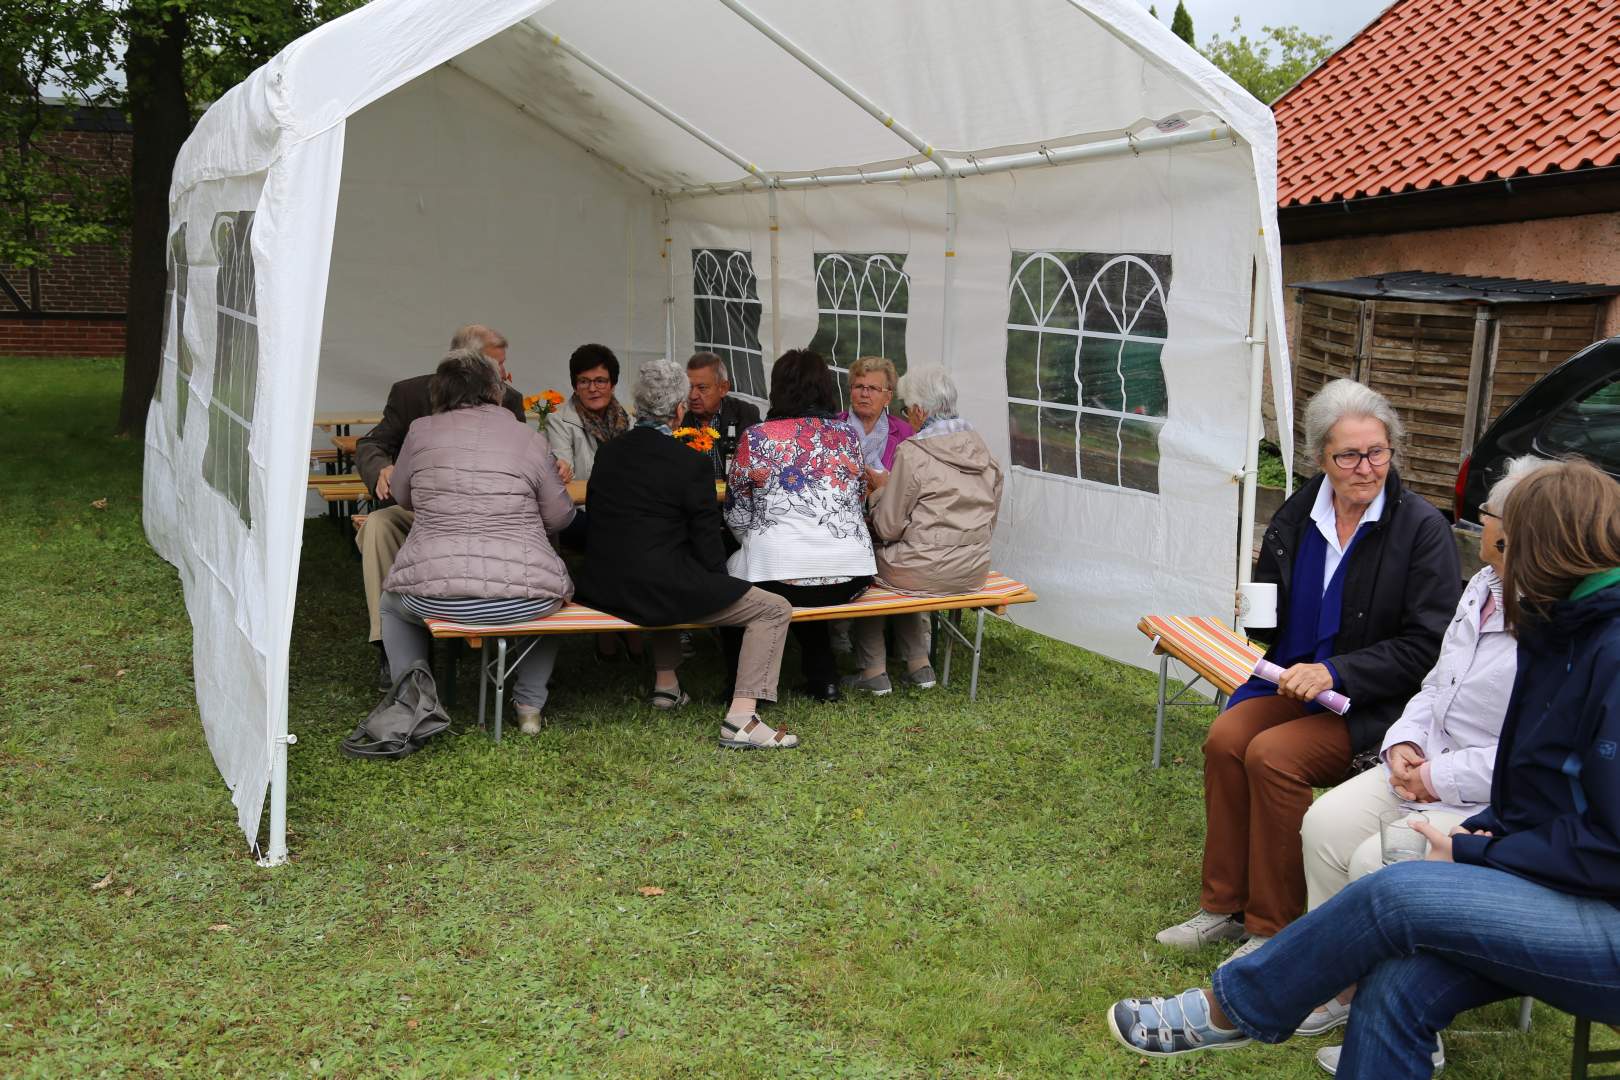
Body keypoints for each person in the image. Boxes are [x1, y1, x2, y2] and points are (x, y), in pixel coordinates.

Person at [1106, 458, 1620, 1079]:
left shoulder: (1590, 641)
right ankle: (1257, 937)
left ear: (1543, 548)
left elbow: (1601, 843)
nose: (1499, 560)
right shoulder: (1562, 627)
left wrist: (1475, 847)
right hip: (1525, 847)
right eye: (1346, 453)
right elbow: (1533, 773)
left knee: (1394, 889)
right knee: (1394, 984)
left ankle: (1240, 1003)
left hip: (1587, 899)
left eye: (1509, 544)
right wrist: (1483, 826)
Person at [1156, 378, 1460, 963]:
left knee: (1274, 756)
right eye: (1348, 455)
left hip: (1374, 704)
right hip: (1291, 681)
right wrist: (1254, 610)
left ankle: (1273, 929)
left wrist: (1337, 672)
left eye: (1377, 452)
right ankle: (1223, 906)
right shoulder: (1299, 514)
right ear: (1321, 457)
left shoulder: (1421, 529)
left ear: (1392, 451)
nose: (1365, 468)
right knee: (1225, 739)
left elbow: (1428, 647)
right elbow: (1270, 619)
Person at [1292, 456, 1545, 1058]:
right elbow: (1435, 685)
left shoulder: (1556, 623)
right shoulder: (1482, 588)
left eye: (1486, 515)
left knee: (1378, 860)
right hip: (1424, 764)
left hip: (1493, 800)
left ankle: (1411, 1027)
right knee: (1324, 826)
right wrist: (1403, 744)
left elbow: (1527, 754)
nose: (1477, 524)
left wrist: (1436, 775)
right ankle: (1342, 984)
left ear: (1518, 531)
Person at [575, 359, 798, 749]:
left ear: (636, 405)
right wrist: (719, 582)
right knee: (772, 607)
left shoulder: (608, 454)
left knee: (669, 570)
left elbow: (599, 518)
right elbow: (708, 543)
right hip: (653, 588)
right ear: (679, 409)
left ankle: (667, 685)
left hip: (604, 584)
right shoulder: (690, 463)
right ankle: (742, 718)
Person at [377, 349, 576, 734]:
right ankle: (528, 706)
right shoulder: (529, 437)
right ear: (496, 390)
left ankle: (414, 702)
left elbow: (401, 496)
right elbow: (560, 517)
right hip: (522, 599)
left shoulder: (420, 431)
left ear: (440, 391)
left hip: (431, 595)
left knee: (390, 604)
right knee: (556, 603)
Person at [354, 324, 528, 689]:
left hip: (485, 514)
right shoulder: (410, 394)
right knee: (377, 526)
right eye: (498, 367)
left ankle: (515, 628)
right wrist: (382, 468)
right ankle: (389, 644)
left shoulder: (509, 399)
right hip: (419, 507)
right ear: (469, 366)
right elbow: (372, 444)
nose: (506, 376)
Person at [725, 349, 875, 702]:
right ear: (826, 388)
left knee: (734, 584)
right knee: (810, 567)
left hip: (778, 580)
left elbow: (736, 513)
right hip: (851, 578)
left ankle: (739, 684)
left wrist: (762, 540)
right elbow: (857, 500)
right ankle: (824, 678)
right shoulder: (848, 437)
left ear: (777, 388)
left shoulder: (757, 437)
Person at [843, 365, 1003, 695]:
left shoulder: (914, 452)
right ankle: (920, 665)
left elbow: (887, 526)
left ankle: (873, 671)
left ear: (918, 410)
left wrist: (879, 491)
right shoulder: (983, 450)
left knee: (870, 563)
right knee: (911, 562)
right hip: (972, 570)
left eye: (905, 409)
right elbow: (989, 517)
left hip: (923, 571)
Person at [545, 343, 630, 483]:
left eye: (600, 381)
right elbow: (564, 475)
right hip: (582, 504)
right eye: (584, 381)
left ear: (613, 385)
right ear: (575, 387)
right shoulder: (558, 423)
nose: (592, 388)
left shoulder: (629, 422)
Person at [685, 351, 761, 480]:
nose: (693, 396)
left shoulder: (746, 415)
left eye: (702, 388)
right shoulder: (678, 419)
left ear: (723, 388)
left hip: (733, 498)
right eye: (689, 387)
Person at [837, 355, 915, 473]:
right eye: (858, 386)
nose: (864, 394)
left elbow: (910, 482)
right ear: (850, 391)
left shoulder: (905, 434)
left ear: (888, 398)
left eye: (873, 388)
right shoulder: (831, 425)